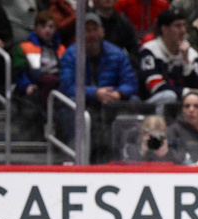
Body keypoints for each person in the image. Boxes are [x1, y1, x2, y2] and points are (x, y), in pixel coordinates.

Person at [56, 13, 138, 162]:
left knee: (134, 103)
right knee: (70, 109)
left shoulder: (117, 53)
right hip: (83, 104)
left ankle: (128, 158)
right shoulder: (71, 54)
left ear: (102, 31)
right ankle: (77, 158)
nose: (91, 34)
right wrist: (95, 93)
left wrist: (119, 93)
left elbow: (130, 82)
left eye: (94, 29)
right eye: (86, 30)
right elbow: (67, 86)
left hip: (112, 104)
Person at [137, 9, 198, 106]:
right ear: (164, 29)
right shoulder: (150, 51)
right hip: (150, 104)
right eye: (177, 26)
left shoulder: (190, 53)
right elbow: (156, 86)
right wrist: (188, 92)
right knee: (169, 96)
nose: (183, 30)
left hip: (183, 103)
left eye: (184, 25)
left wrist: (186, 61)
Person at [12, 11, 64, 111]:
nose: (47, 30)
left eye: (51, 26)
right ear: (36, 29)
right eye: (43, 26)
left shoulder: (62, 49)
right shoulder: (24, 48)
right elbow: (19, 73)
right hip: (35, 86)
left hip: (56, 86)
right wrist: (26, 85)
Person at [92, 0, 139, 67]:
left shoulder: (124, 24)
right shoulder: (86, 22)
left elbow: (134, 53)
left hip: (118, 70)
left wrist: (122, 66)